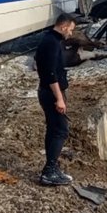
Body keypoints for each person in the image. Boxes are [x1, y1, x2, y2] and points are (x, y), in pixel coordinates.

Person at [34, 13, 76, 186]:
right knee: (60, 130)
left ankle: (51, 167)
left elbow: (38, 63)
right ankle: (49, 171)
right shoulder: (52, 43)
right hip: (51, 93)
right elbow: (51, 74)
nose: (71, 34)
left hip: (46, 91)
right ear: (64, 26)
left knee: (53, 129)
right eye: (71, 30)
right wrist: (59, 98)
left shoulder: (49, 39)